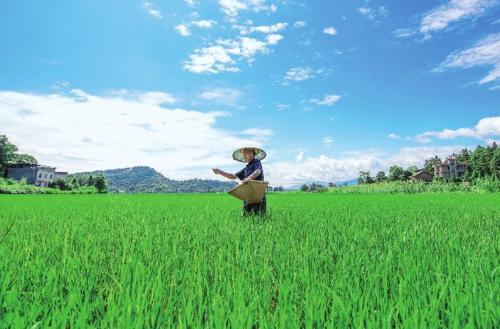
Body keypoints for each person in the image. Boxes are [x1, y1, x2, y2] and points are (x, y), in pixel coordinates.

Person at [213, 147, 267, 216]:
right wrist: (220, 172)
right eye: (244, 154)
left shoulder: (256, 161)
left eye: (247, 153)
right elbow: (233, 176)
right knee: (246, 216)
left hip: (258, 194)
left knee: (259, 215)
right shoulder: (245, 169)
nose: (245, 156)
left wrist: (249, 178)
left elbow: (258, 171)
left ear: (253, 154)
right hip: (248, 195)